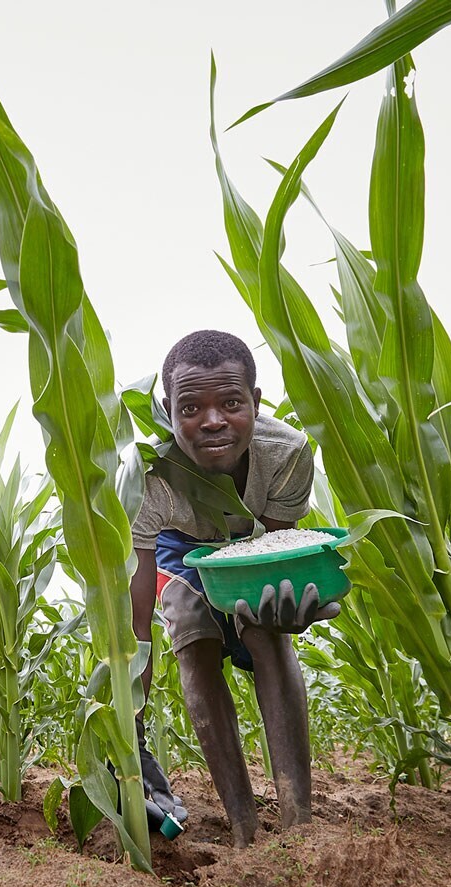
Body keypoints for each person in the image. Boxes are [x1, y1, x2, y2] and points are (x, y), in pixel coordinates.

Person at [130, 329, 340, 848]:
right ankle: (245, 830)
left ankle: (298, 822)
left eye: (231, 403)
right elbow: (136, 624)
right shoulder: (150, 480)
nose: (213, 420)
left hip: (252, 541)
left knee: (268, 632)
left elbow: (274, 549)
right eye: (191, 407)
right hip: (180, 548)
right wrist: (127, 722)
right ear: (167, 411)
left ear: (256, 402)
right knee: (195, 647)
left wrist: (288, 610)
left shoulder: (286, 454)